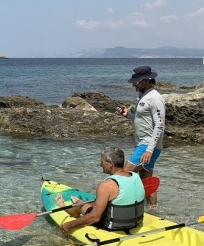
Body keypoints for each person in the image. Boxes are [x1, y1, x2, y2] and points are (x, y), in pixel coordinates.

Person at [55, 147, 145, 233]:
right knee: (91, 204)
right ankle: (78, 202)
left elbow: (94, 218)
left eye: (102, 162)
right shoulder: (135, 176)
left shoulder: (106, 185)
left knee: (80, 206)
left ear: (110, 163)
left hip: (111, 227)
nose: (100, 164)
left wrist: (70, 225)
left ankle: (65, 207)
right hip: (134, 224)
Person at [116, 65, 165, 208]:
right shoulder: (143, 96)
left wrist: (149, 150)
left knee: (122, 176)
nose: (133, 84)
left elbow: (159, 125)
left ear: (147, 80)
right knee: (146, 181)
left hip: (147, 146)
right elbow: (143, 120)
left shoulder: (155, 98)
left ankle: (119, 206)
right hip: (144, 145)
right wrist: (128, 115)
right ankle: (153, 210)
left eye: (136, 81)